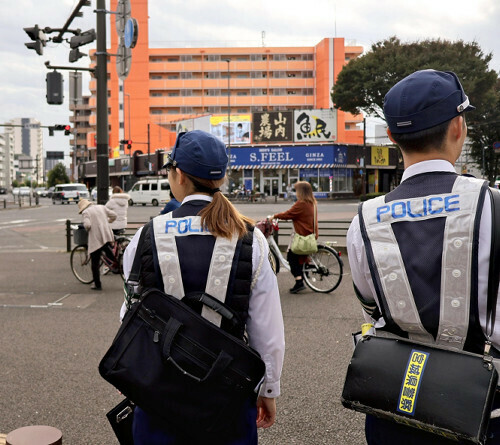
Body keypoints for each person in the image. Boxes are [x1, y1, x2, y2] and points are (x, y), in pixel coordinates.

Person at [346, 69, 500, 444]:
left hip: (397, 404)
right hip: (484, 409)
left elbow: (371, 306)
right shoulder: (493, 204)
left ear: (394, 137)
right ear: (458, 127)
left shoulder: (363, 219)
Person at [122, 130, 285, 444]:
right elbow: (268, 331)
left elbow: (129, 315)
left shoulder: (147, 235)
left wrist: (132, 372)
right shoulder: (249, 237)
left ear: (179, 175)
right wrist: (268, 390)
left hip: (158, 390)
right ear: (221, 178)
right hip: (228, 394)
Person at [271, 181, 318, 294]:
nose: (295, 192)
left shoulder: (301, 204)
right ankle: (304, 273)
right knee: (299, 258)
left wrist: (274, 216)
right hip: (310, 234)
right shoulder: (312, 202)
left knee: (291, 258)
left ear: (301, 191)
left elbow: (288, 214)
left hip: (302, 236)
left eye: (296, 190)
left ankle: (299, 281)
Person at [78, 198, 117, 290]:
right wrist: (107, 221)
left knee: (95, 263)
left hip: (96, 239)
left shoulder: (86, 212)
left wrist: (87, 228)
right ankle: (117, 266)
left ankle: (97, 284)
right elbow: (114, 215)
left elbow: (87, 225)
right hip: (106, 235)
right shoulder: (101, 207)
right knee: (108, 252)